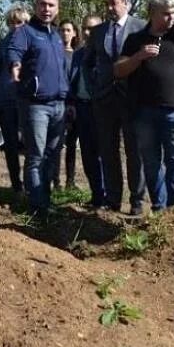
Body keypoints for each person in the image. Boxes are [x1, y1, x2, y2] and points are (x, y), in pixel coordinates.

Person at [115, 0, 174, 210]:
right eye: (166, 14)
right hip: (144, 112)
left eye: (173, 13)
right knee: (150, 163)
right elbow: (119, 70)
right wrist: (138, 57)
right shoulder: (135, 40)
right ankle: (159, 207)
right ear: (152, 14)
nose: (171, 18)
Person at [84, 0, 146, 214]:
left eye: (114, 3)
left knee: (134, 151)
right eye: (107, 3)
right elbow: (86, 62)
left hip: (132, 99)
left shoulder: (140, 27)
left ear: (126, 3)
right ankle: (113, 200)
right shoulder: (99, 31)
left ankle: (137, 202)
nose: (110, 7)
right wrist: (93, 88)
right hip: (104, 99)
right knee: (108, 151)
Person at [8, 0, 69, 219]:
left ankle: (45, 200)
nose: (47, 9)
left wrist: (67, 99)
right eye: (43, 5)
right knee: (36, 156)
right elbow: (14, 51)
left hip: (59, 105)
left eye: (51, 5)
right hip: (36, 105)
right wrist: (15, 65)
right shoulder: (26, 32)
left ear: (57, 9)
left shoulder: (55, 35)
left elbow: (61, 69)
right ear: (36, 6)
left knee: (52, 156)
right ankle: (37, 207)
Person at [0, 5, 30, 199]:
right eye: (12, 22)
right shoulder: (1, 44)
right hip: (5, 99)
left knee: (31, 144)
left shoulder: (33, 42)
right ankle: (16, 186)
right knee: (11, 144)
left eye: (19, 22)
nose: (15, 26)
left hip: (28, 99)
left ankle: (32, 185)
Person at [70, 15, 106, 207]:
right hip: (82, 107)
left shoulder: (106, 53)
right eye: (84, 28)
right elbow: (72, 80)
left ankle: (109, 196)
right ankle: (96, 196)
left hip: (101, 108)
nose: (87, 32)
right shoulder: (78, 54)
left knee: (104, 154)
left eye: (92, 29)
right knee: (87, 155)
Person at [51, 19, 79, 190]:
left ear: (74, 33)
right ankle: (56, 182)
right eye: (62, 30)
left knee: (71, 145)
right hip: (58, 102)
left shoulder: (78, 54)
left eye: (68, 30)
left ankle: (70, 181)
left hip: (74, 104)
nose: (65, 33)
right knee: (56, 144)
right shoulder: (54, 53)